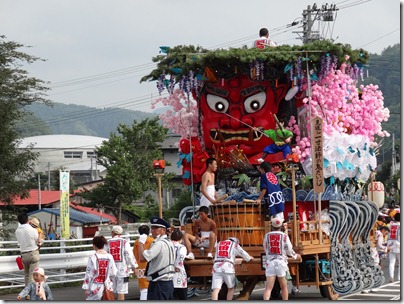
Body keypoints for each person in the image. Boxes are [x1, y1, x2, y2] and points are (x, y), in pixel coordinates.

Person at [137, 216, 175, 300]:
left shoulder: (159, 244)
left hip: (159, 282)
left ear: (164, 230)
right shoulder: (169, 243)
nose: (153, 230)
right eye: (152, 228)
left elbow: (142, 258)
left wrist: (140, 243)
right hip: (167, 282)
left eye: (156, 228)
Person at [263, 218, 301, 300]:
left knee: (268, 288)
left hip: (270, 263)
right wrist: (295, 255)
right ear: (281, 227)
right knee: (284, 287)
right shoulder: (284, 236)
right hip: (281, 263)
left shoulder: (267, 236)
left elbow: (265, 248)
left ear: (271, 226)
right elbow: (289, 249)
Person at [106, 225, 138, 300]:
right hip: (123, 270)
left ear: (112, 232)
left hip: (111, 270)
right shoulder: (124, 242)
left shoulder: (108, 242)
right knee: (121, 291)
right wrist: (134, 267)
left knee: (111, 289)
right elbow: (129, 255)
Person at [82, 235, 117, 300]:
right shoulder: (110, 257)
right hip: (107, 286)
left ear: (94, 245)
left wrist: (87, 288)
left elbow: (89, 274)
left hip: (95, 287)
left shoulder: (93, 257)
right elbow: (114, 272)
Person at [15, 213, 40, 285]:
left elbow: (19, 241)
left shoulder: (17, 231)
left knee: (26, 275)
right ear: (28, 220)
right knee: (32, 275)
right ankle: (31, 292)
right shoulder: (33, 230)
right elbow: (38, 241)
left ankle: (27, 293)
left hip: (23, 254)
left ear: (19, 221)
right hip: (33, 253)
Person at [133, 225, 154, 300]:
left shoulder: (137, 242)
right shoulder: (152, 240)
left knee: (143, 289)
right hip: (151, 267)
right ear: (149, 231)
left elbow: (135, 254)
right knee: (151, 288)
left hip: (140, 267)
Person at [170, 229, 188, 300]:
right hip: (178, 274)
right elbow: (181, 256)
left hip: (168, 273)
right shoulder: (181, 247)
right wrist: (177, 266)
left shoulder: (168, 245)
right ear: (181, 238)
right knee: (182, 297)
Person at [387, 212, 400, 283]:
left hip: (390, 245)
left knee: (391, 262)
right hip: (399, 245)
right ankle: (399, 278)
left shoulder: (390, 225)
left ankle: (391, 276)